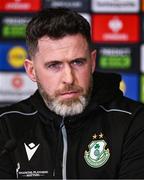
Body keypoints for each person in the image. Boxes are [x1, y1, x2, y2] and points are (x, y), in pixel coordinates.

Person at [0, 8, 144, 179]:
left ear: (92, 62)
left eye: (77, 62)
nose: (68, 78)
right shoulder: (6, 126)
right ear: (31, 71)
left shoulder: (134, 121)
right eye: (54, 65)